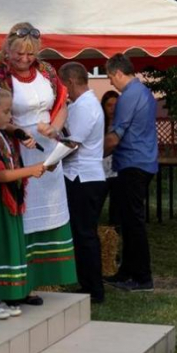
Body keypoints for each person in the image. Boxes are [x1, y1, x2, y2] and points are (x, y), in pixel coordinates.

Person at [0, 22, 76, 305]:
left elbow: (61, 104)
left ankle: (33, 282)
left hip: (48, 150)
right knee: (22, 218)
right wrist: (18, 132)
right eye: (19, 53)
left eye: (30, 54)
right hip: (19, 150)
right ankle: (15, 283)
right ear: (8, 50)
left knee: (46, 215)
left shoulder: (47, 72)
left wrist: (55, 129)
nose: (25, 59)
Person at [0, 85, 45, 319]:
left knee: (1, 245)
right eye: (5, 111)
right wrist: (31, 170)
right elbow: (0, 175)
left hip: (2, 198)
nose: (9, 116)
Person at [103, 54, 158, 292]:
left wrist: (91, 153)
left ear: (117, 73)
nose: (110, 83)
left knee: (134, 223)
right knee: (128, 220)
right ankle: (126, 271)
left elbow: (115, 137)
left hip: (132, 163)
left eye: (109, 77)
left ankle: (142, 277)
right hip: (143, 161)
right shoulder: (144, 92)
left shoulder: (128, 96)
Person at [59, 62, 107, 304]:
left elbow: (72, 143)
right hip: (86, 176)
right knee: (83, 233)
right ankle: (89, 284)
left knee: (85, 234)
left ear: (70, 82)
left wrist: (48, 160)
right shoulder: (87, 104)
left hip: (83, 177)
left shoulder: (85, 106)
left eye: (63, 86)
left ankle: (93, 289)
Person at [100, 90, 121, 227]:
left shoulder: (122, 125)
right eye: (109, 105)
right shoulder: (100, 124)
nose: (113, 109)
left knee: (117, 208)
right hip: (100, 171)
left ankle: (114, 233)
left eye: (116, 105)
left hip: (118, 170)